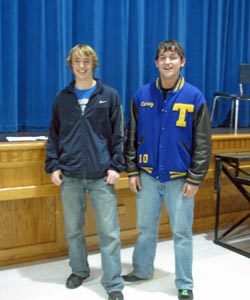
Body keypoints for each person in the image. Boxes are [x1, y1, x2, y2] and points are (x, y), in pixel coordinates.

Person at [123, 40, 211, 300]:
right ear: (156, 63)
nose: (168, 62)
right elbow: (131, 136)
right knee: (145, 228)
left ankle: (184, 282)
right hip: (147, 176)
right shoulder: (141, 95)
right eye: (163, 57)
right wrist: (132, 171)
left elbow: (203, 142)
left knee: (182, 234)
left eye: (173, 57)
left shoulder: (194, 96)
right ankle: (141, 270)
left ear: (182, 62)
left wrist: (195, 178)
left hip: (180, 179)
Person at [45, 44, 125, 300]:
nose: (82, 66)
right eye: (77, 61)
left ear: (94, 64)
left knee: (109, 233)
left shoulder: (109, 95)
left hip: (102, 176)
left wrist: (116, 166)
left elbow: (118, 135)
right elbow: (54, 135)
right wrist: (53, 165)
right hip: (70, 176)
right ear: (71, 65)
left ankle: (113, 283)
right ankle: (79, 270)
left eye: (86, 61)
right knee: (73, 230)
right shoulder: (62, 98)